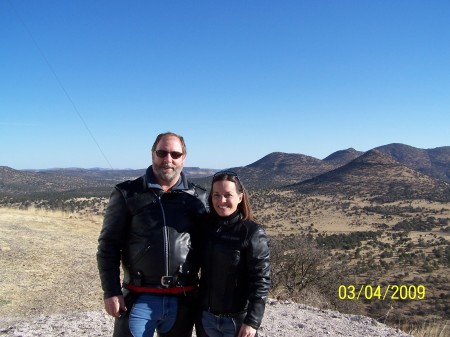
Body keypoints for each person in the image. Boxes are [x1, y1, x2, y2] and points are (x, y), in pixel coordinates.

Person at [97, 132, 208, 337]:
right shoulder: (127, 194)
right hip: (138, 297)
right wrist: (111, 291)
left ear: (184, 157)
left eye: (175, 154)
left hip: (183, 299)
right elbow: (108, 246)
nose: (168, 159)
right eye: (162, 153)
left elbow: (210, 247)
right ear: (152, 154)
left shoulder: (199, 198)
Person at [197, 171, 271, 337]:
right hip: (206, 317)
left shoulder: (251, 232)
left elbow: (261, 280)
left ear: (240, 197)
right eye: (216, 195)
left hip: (237, 321)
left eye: (227, 195)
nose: (221, 201)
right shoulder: (204, 227)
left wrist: (252, 321)